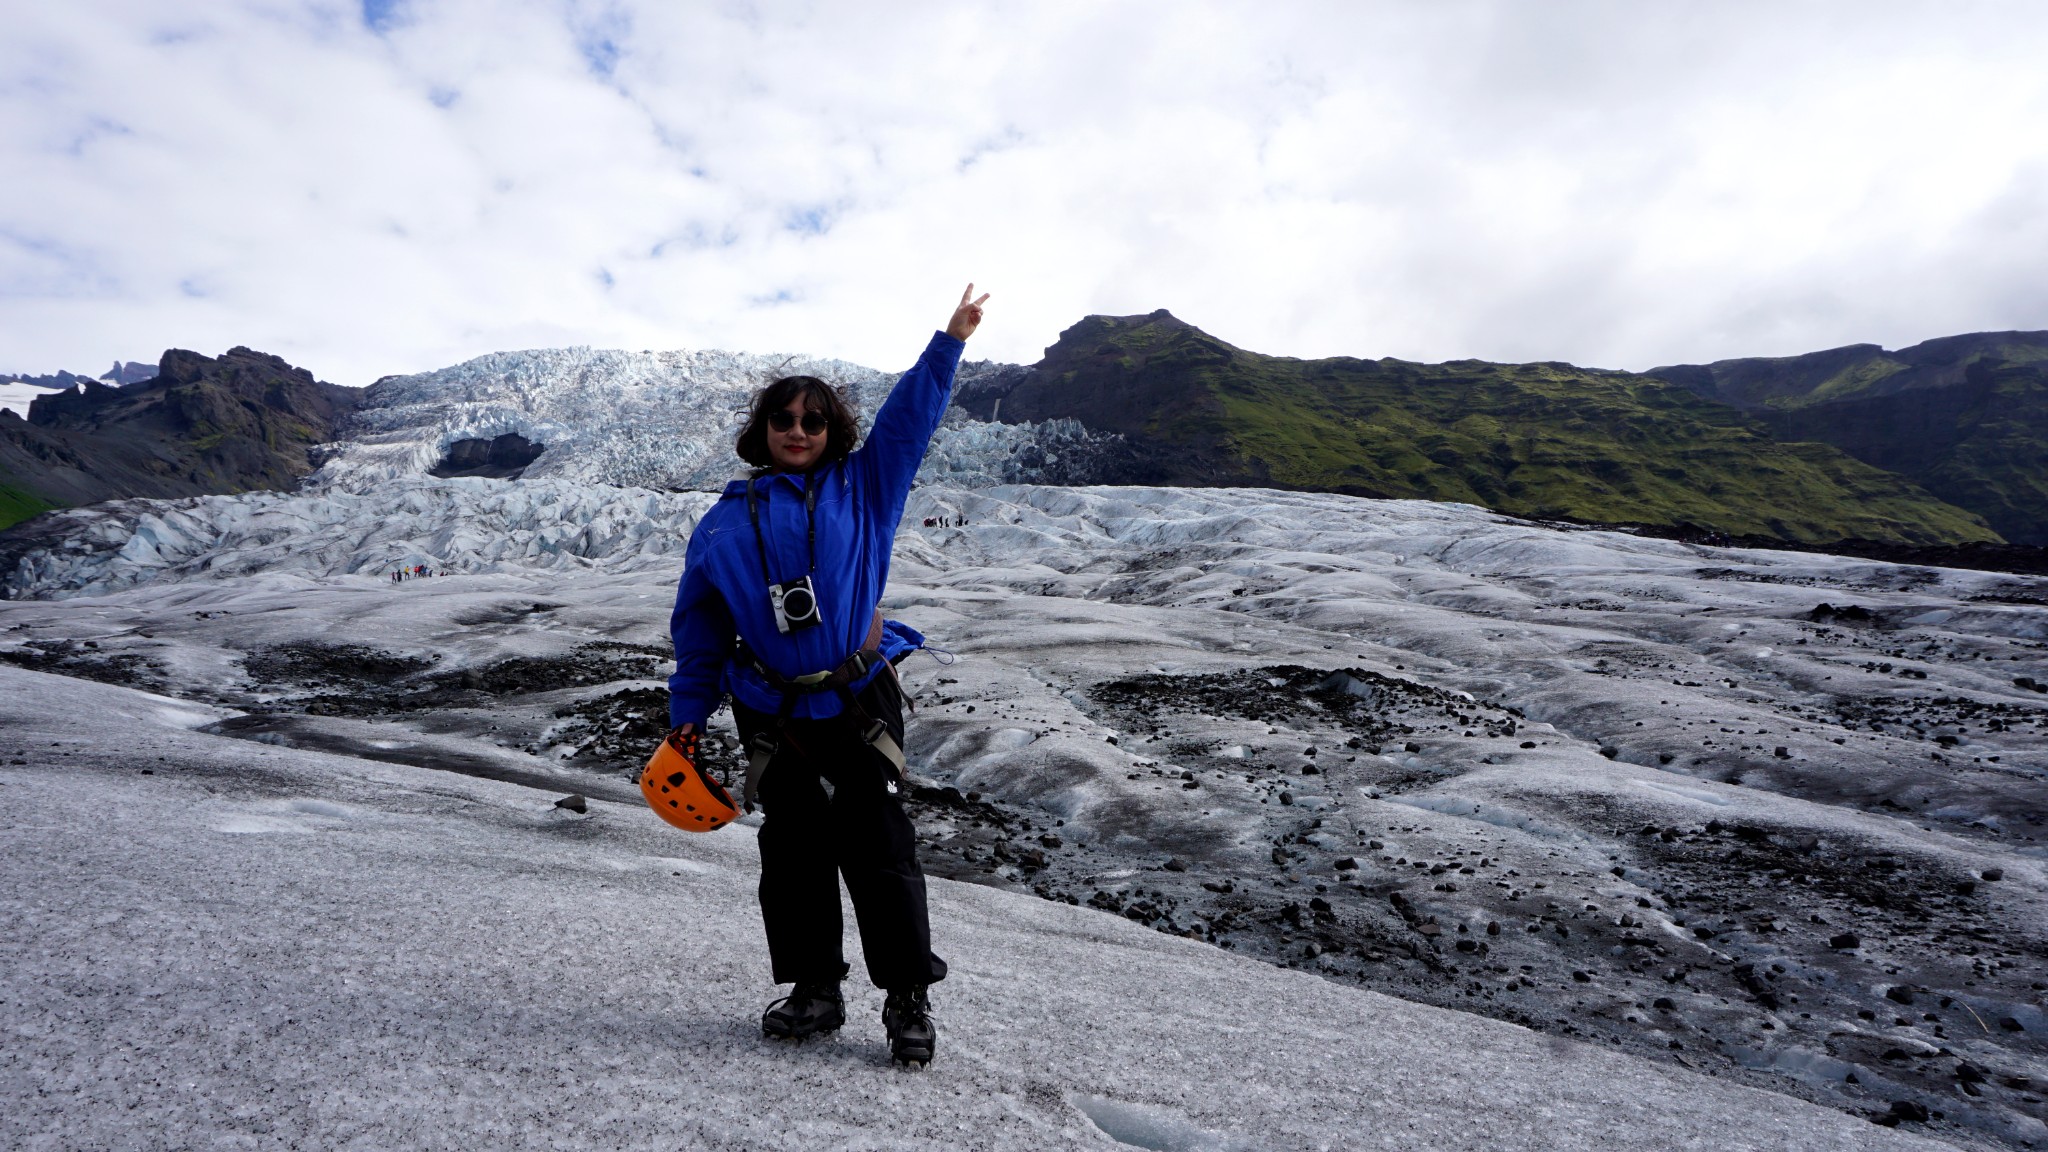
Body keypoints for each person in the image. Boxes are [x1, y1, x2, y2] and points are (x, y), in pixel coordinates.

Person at [666, 284, 990, 1067]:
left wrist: (949, 341)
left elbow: (909, 422)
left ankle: (907, 998)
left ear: (831, 428)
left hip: (855, 696)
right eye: (784, 419)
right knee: (794, 853)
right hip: (770, 710)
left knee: (881, 845)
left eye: (813, 419)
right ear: (763, 431)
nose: (799, 430)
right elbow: (701, 628)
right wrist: (686, 713)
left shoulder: (866, 486)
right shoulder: (722, 522)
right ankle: (816, 988)